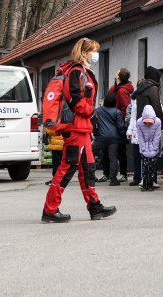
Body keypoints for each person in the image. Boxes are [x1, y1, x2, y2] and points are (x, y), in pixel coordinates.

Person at [42, 37, 116, 223]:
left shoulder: (81, 71)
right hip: (76, 128)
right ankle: (50, 209)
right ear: (84, 52)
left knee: (88, 169)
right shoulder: (76, 72)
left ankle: (94, 206)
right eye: (93, 51)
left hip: (82, 129)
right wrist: (91, 111)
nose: (95, 54)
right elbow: (75, 99)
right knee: (67, 169)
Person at [130, 66, 163, 186]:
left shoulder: (140, 88)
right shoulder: (153, 87)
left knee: (144, 150)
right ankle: (152, 179)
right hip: (153, 122)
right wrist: (162, 122)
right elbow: (156, 106)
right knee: (154, 150)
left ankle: (144, 178)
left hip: (142, 122)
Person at [92, 92, 127, 185]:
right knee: (113, 158)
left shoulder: (98, 110)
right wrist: (123, 136)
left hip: (101, 137)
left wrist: (95, 133)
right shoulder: (117, 112)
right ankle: (113, 179)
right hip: (114, 139)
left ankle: (90, 175)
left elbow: (94, 123)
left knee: (90, 153)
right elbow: (120, 126)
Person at [109, 68, 133, 182]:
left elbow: (125, 107)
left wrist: (121, 121)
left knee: (121, 148)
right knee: (118, 148)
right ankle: (119, 172)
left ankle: (123, 173)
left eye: (117, 72)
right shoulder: (118, 88)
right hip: (117, 121)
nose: (115, 73)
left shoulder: (122, 91)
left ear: (119, 76)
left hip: (119, 122)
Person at [137, 105, 162, 191]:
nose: (147, 123)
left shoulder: (158, 122)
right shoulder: (139, 122)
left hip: (153, 146)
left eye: (150, 122)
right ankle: (144, 183)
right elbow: (140, 137)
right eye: (146, 121)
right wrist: (143, 148)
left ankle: (151, 183)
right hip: (144, 146)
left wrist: (154, 148)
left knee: (152, 166)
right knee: (144, 166)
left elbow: (157, 136)